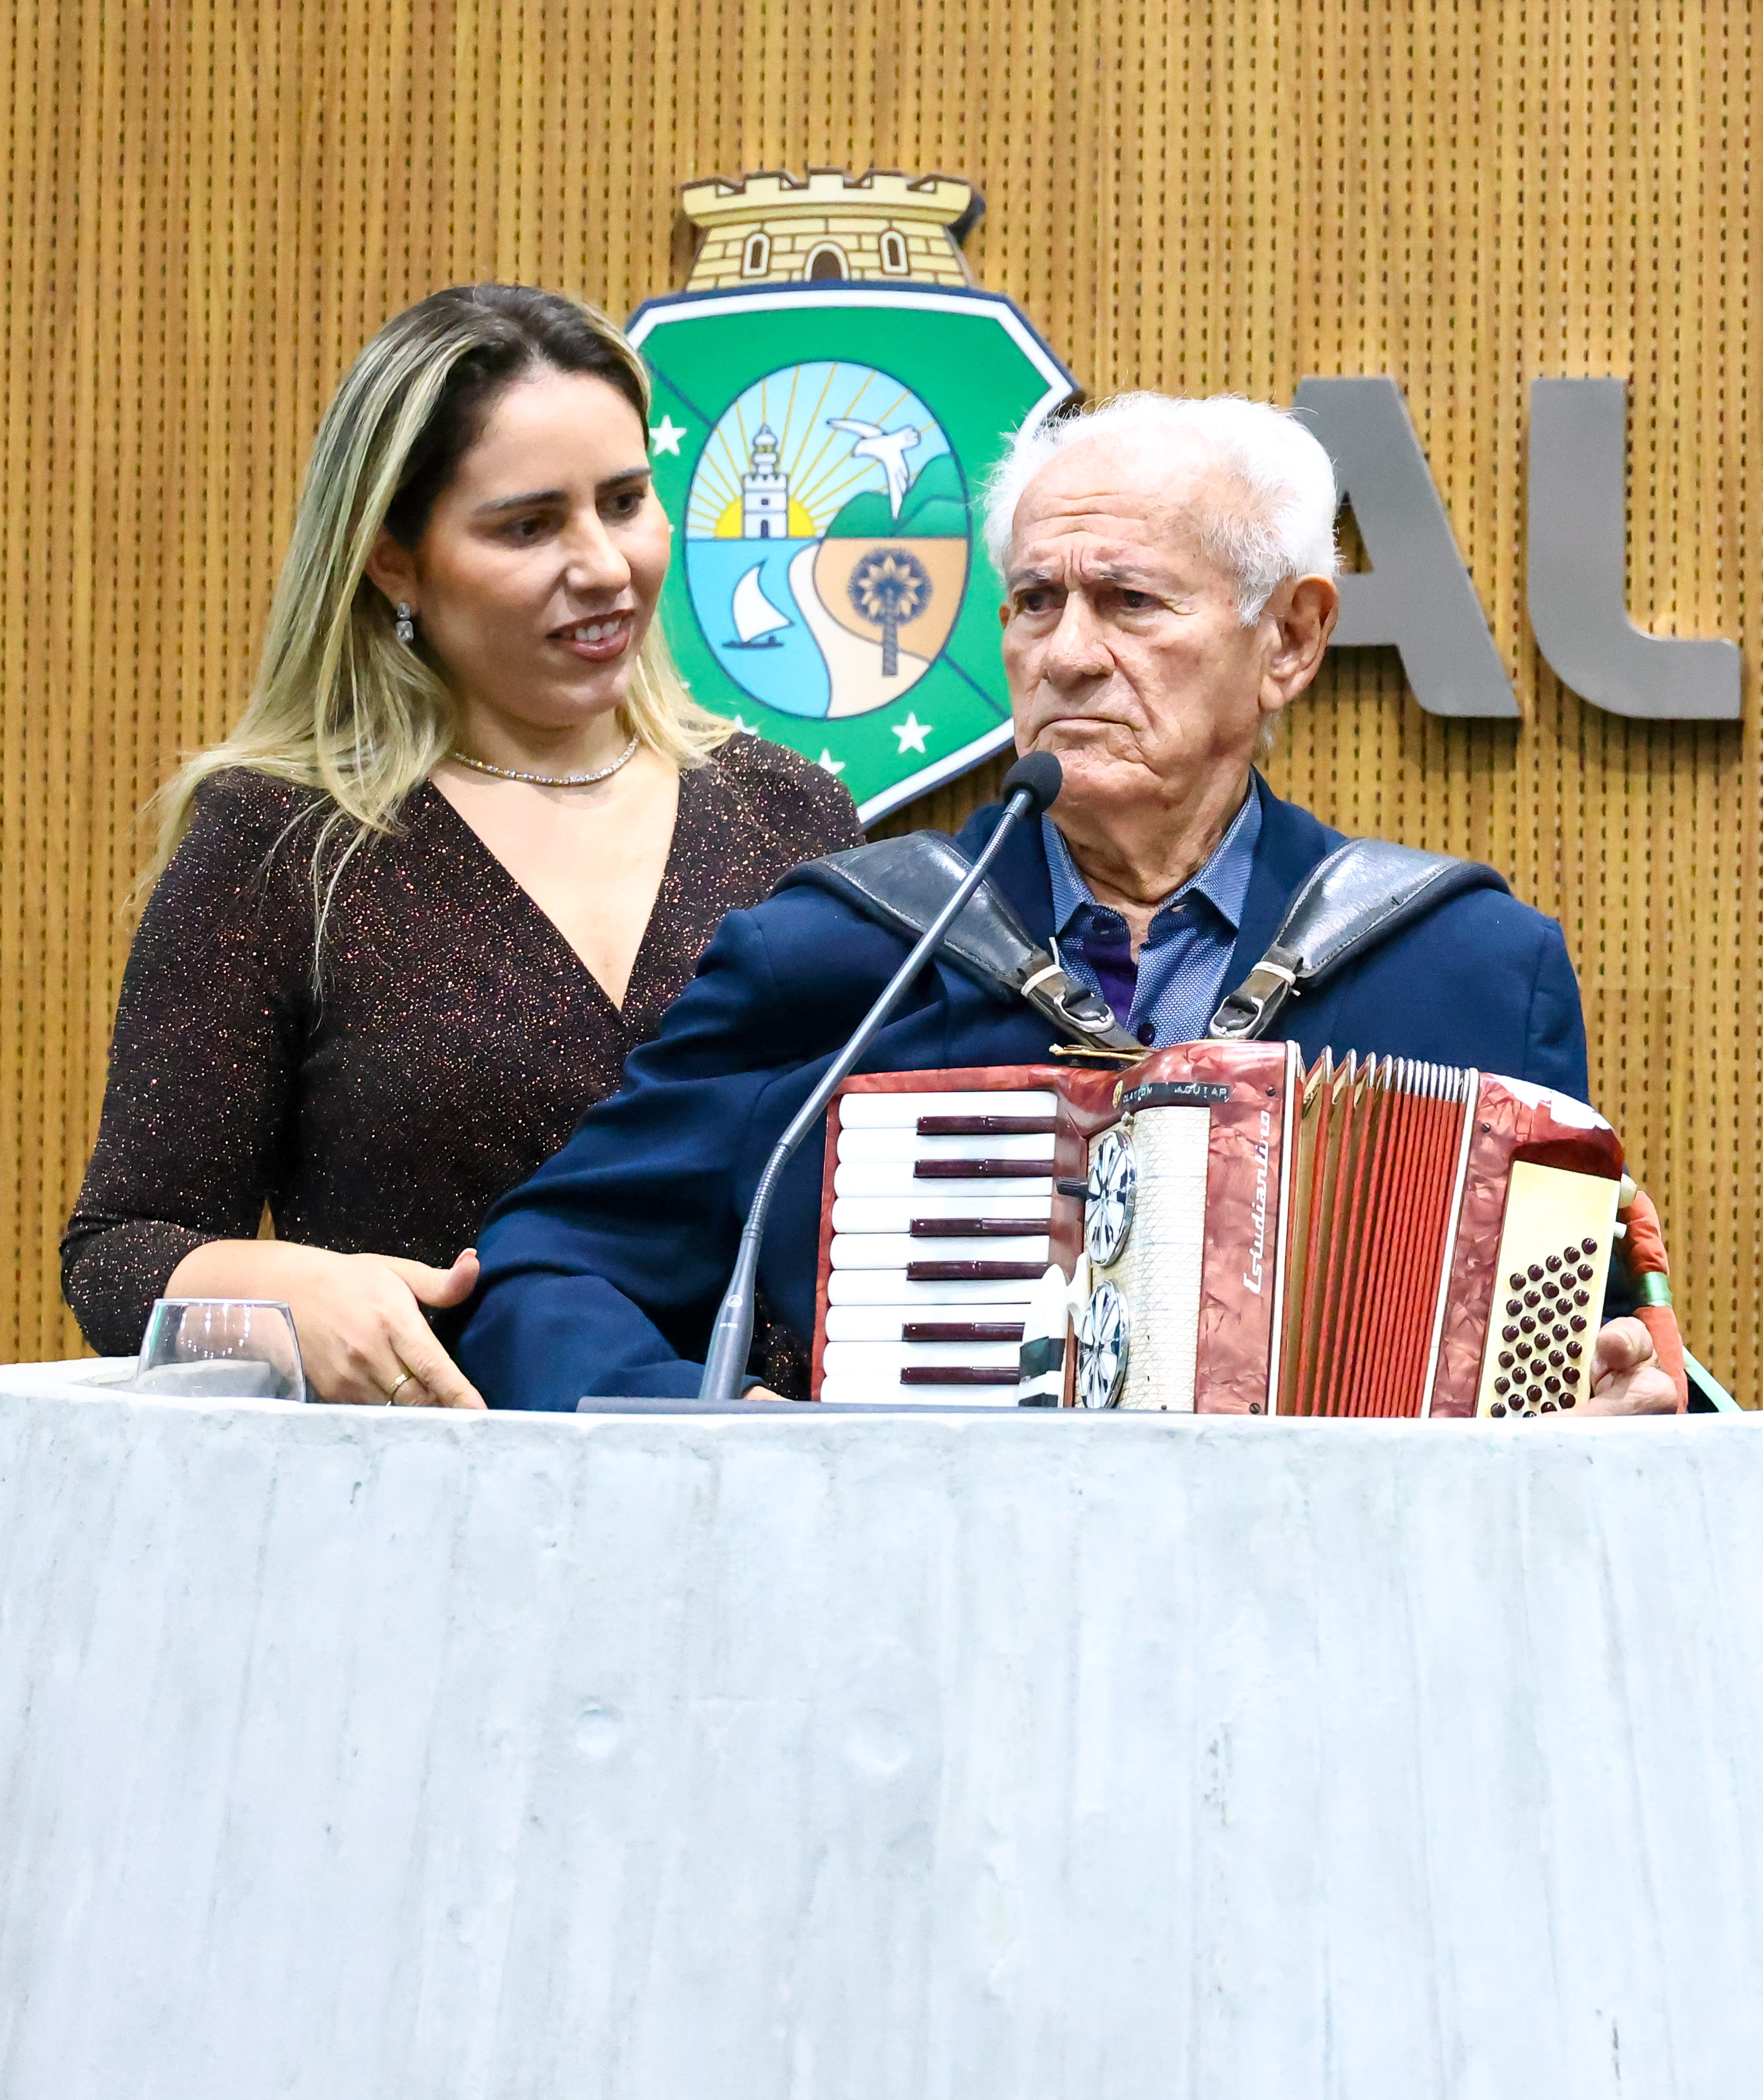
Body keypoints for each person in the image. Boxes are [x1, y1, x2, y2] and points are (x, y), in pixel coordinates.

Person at [457, 391, 1672, 1415]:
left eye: (1130, 602)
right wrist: (722, 1434)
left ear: (1290, 642)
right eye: (1036, 602)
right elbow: (546, 1279)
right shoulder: (841, 951)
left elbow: (1599, 1365)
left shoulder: (1468, 971)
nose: (1069, 655)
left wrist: (1615, 1404)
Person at [61, 287, 861, 1405]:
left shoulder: (791, 814)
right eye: (528, 526)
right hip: (425, 1491)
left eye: (625, 502)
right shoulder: (285, 844)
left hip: (779, 1491)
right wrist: (291, 1294)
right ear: (393, 559)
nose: (604, 565)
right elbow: (119, 1251)